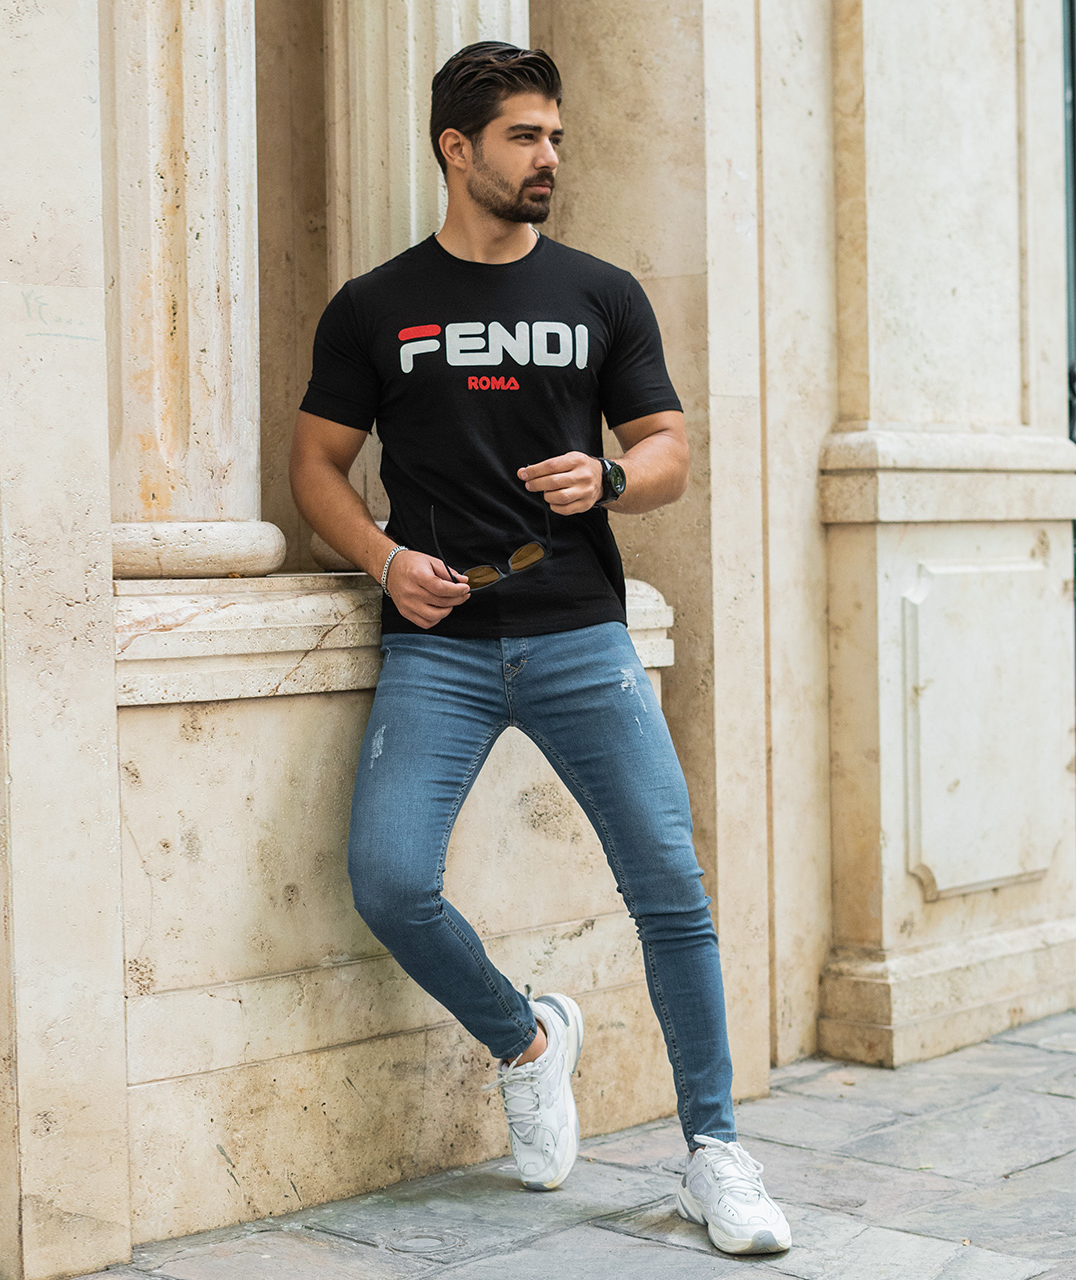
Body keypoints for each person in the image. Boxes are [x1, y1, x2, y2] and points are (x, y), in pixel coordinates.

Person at [288, 41, 791, 1258]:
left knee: (669, 890)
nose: (548, 157)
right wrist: (382, 560)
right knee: (389, 882)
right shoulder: (372, 305)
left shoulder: (600, 292)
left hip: (578, 632)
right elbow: (314, 465)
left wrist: (610, 477)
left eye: (554, 136)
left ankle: (714, 1151)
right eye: (523, 137)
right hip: (441, 644)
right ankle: (525, 1039)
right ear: (455, 148)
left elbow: (667, 449)